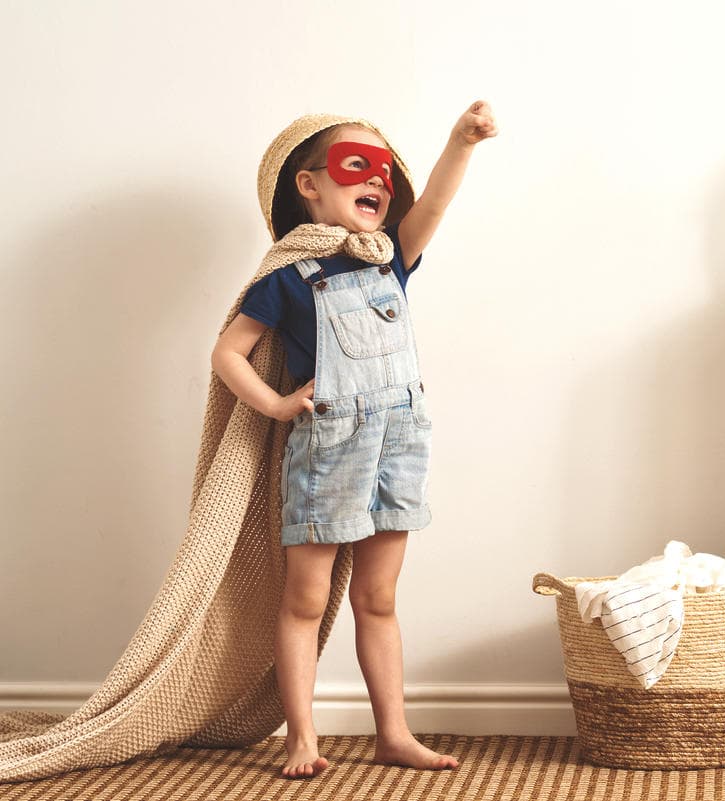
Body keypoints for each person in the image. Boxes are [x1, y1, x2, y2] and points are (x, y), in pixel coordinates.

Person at [211, 102, 497, 779]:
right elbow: (228, 353)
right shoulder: (288, 274)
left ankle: (392, 732)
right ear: (309, 185)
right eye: (355, 165)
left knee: (379, 598)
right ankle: (302, 737)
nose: (378, 179)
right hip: (329, 447)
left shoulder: (391, 257)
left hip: (399, 443)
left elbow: (432, 205)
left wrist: (460, 140)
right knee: (305, 598)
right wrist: (279, 404)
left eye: (384, 170)